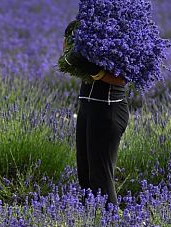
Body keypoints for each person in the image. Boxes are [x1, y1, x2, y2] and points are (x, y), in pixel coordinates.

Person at [63, 20, 129, 208]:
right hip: (87, 107)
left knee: (101, 179)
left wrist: (95, 71)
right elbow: (69, 62)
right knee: (85, 178)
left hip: (108, 109)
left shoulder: (125, 29)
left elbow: (122, 78)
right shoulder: (92, 25)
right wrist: (70, 50)